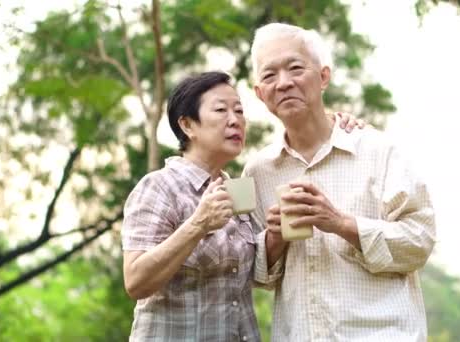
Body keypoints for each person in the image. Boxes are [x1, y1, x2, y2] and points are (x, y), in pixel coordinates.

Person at [121, 71, 363, 341]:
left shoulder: (239, 189)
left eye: (239, 110)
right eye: (221, 110)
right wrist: (198, 225)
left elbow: (256, 274)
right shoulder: (160, 187)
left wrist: (276, 235)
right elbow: (135, 282)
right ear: (188, 125)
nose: (235, 120)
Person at [244, 23, 437, 341]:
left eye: (295, 68)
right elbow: (256, 275)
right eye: (269, 75)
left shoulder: (379, 151)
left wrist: (340, 223)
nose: (284, 83)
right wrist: (274, 238)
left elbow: (419, 243)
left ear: (323, 77)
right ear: (260, 94)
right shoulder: (258, 172)